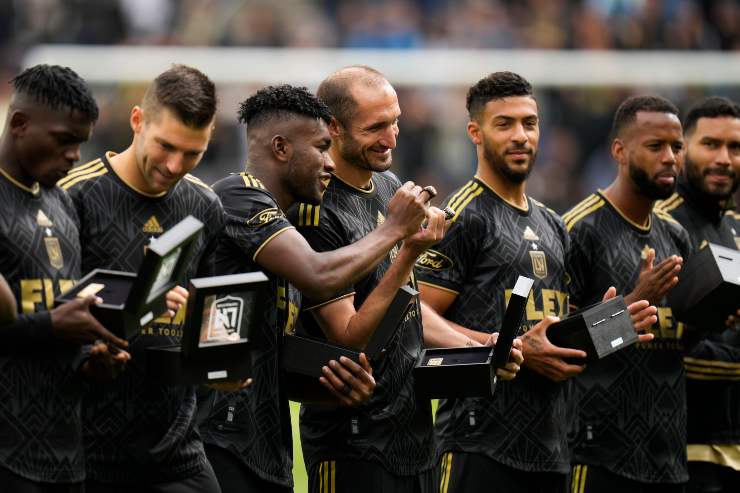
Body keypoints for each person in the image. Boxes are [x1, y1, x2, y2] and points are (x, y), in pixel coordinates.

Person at [416, 71, 656, 493]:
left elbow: (555, 332)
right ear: (475, 132)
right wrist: (510, 349)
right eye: (504, 124)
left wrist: (618, 322)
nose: (520, 136)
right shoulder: (463, 215)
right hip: (478, 443)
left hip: (552, 450)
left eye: (529, 123)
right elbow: (416, 315)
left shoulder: (553, 224)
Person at [290, 66, 524, 493]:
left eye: (395, 121)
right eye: (376, 127)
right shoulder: (315, 211)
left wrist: (479, 346)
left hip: (415, 436)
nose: (392, 137)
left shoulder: (387, 187)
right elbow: (349, 336)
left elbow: (407, 306)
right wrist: (407, 244)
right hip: (353, 443)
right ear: (334, 128)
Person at [200, 84, 435, 493]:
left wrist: (326, 380)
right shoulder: (237, 195)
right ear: (281, 148)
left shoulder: (285, 225)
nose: (329, 163)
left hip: (266, 448)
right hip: (222, 440)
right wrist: (396, 230)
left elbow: (254, 349)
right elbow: (318, 274)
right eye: (321, 148)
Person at [59, 64, 224, 492]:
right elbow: (45, 311)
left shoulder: (205, 207)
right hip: (87, 450)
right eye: (166, 145)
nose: (174, 165)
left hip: (177, 453)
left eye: (193, 154)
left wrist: (222, 361)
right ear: (137, 121)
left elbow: (214, 313)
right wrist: (92, 349)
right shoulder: (73, 196)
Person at [0, 64, 129, 493]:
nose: (74, 155)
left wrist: (93, 356)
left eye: (80, 143)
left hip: (67, 455)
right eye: (63, 140)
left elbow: (59, 311)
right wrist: (53, 327)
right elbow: (46, 322)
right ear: (19, 124)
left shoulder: (63, 203)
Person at [565, 95, 692, 492]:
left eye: (677, 147)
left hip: (669, 458)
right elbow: (558, 348)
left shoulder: (675, 236)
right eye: (655, 147)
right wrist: (635, 301)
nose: (670, 157)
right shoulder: (578, 230)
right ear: (619, 151)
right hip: (598, 458)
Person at [655, 96, 740, 493]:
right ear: (683, 149)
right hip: (678, 452)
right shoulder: (660, 225)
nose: (724, 158)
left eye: (735, 147)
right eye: (711, 145)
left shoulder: (738, 228)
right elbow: (662, 348)